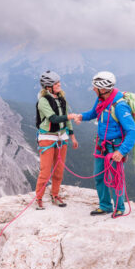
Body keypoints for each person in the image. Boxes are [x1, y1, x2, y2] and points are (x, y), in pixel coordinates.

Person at [69, 71, 135, 218]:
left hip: (115, 147)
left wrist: (122, 151)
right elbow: (94, 113)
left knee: (116, 177)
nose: (93, 89)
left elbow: (132, 131)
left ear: (103, 88)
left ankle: (119, 207)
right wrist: (82, 116)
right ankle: (105, 205)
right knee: (99, 176)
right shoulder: (102, 100)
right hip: (102, 144)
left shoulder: (120, 106)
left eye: (95, 87)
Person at [35, 71, 79, 210]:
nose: (59, 84)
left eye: (58, 82)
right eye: (56, 83)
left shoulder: (61, 99)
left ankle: (55, 194)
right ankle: (39, 198)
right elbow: (53, 118)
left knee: (59, 170)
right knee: (46, 170)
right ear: (48, 86)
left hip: (61, 137)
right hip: (47, 137)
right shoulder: (43, 101)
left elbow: (67, 120)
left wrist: (72, 137)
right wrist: (70, 117)